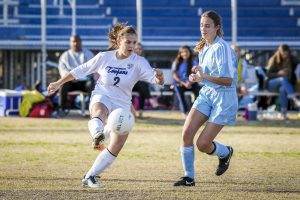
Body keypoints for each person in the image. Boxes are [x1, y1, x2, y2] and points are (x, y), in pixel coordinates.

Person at [47, 23, 164, 188]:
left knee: (116, 145)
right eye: (128, 42)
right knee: (100, 112)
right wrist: (58, 83)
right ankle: (97, 135)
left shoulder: (139, 62)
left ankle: (90, 176)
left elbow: (156, 81)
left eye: (134, 42)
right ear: (118, 42)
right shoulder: (104, 57)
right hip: (102, 95)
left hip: (122, 104)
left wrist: (159, 76)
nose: (132, 46)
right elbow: (80, 70)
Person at [173, 10, 238, 187]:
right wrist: (196, 77)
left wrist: (203, 77)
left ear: (217, 28)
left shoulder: (222, 47)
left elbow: (227, 80)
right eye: (202, 25)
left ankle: (225, 153)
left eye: (207, 25)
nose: (203, 28)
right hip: (207, 94)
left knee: (202, 144)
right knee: (186, 134)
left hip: (224, 99)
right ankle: (189, 178)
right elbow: (205, 75)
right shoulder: (203, 46)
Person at [58, 35, 95, 113]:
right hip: (71, 82)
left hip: (84, 83)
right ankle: (62, 109)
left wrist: (80, 76)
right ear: (70, 43)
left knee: (91, 84)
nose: (75, 43)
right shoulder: (65, 55)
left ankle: (92, 110)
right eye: (73, 41)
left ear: (81, 42)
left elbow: (93, 68)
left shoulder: (88, 54)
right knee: (63, 84)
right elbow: (62, 69)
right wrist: (71, 77)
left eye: (77, 41)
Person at [266, 44, 300, 120]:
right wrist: (278, 73)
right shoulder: (274, 59)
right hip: (271, 84)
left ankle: (283, 113)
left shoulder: (292, 59)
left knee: (283, 89)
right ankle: (294, 99)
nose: (284, 55)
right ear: (279, 52)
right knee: (282, 79)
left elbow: (298, 67)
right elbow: (268, 74)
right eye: (283, 54)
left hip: (286, 85)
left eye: (286, 54)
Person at [172, 45, 201, 115]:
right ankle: (185, 111)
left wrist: (190, 83)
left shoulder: (194, 63)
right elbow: (175, 76)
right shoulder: (176, 63)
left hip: (192, 84)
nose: (185, 54)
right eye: (183, 52)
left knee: (199, 91)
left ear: (190, 53)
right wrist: (184, 83)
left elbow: (197, 74)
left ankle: (195, 110)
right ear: (180, 54)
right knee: (178, 89)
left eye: (186, 52)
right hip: (181, 84)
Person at [131, 43, 159, 118]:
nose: (138, 50)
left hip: (139, 84)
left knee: (142, 86)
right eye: (136, 48)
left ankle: (140, 111)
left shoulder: (144, 61)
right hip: (128, 84)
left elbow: (148, 74)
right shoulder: (128, 59)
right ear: (133, 49)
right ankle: (150, 99)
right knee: (143, 85)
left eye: (140, 49)